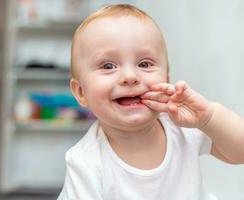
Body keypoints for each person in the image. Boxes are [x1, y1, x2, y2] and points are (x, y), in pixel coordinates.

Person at [57, 4, 244, 200]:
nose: (130, 76)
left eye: (144, 64)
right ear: (80, 92)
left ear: (167, 78)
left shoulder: (181, 126)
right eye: (108, 65)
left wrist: (209, 118)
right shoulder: (84, 162)